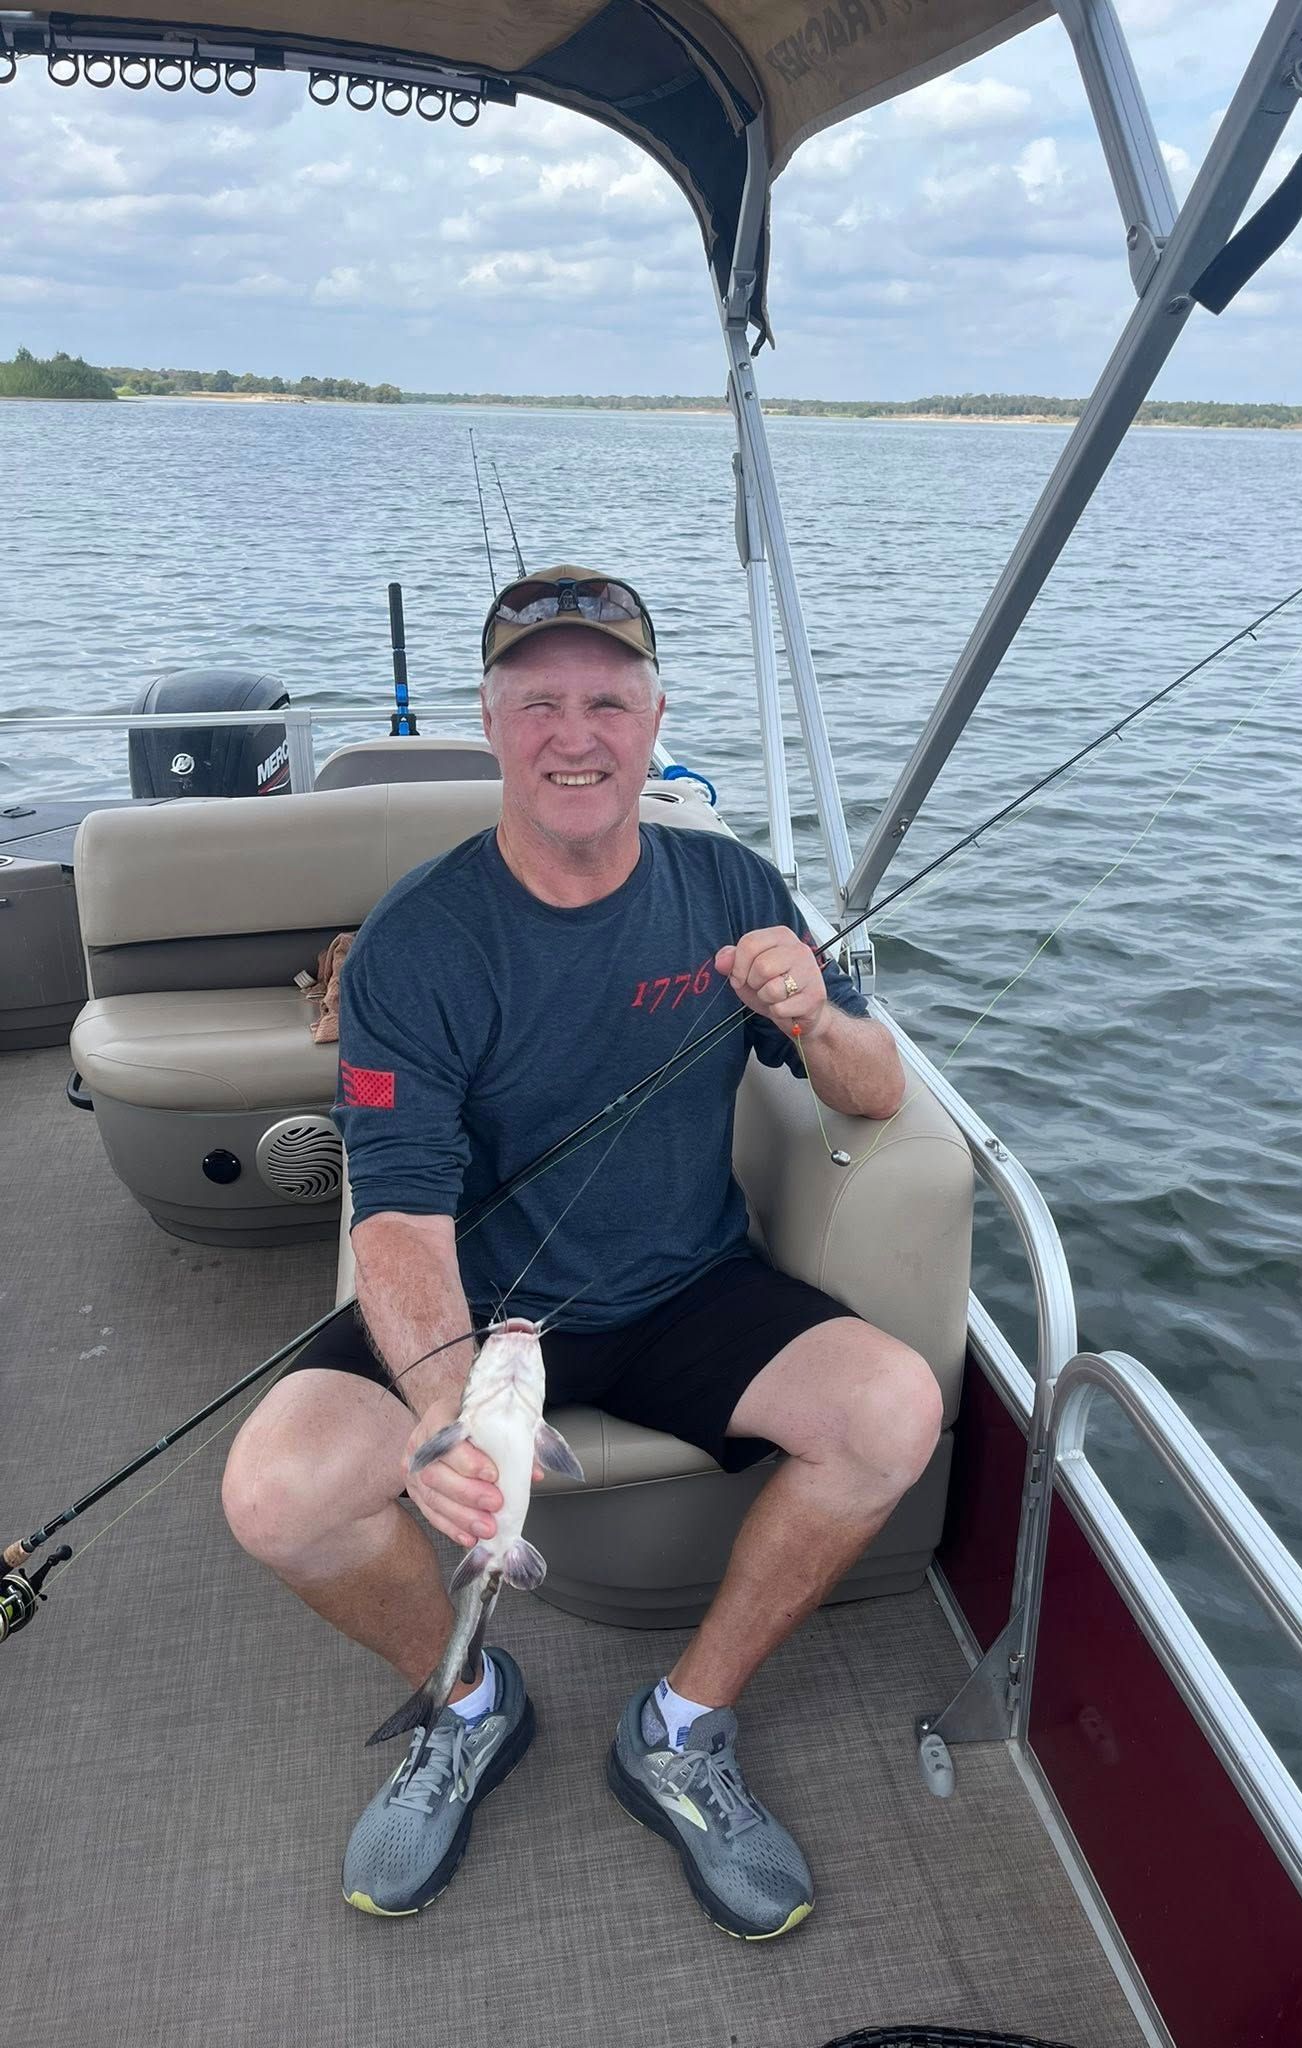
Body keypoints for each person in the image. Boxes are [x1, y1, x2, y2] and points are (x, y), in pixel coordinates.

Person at [221, 566, 942, 1938]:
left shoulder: (729, 880)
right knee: (277, 1492)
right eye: (538, 700)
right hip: (478, 1313)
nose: (576, 733)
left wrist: (815, 1019)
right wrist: (449, 1407)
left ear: (655, 720)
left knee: (894, 1409)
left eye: (609, 699)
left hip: (685, 1285)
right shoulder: (419, 946)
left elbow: (872, 1091)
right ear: (489, 726)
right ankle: (465, 1702)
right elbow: (394, 1207)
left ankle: (681, 1724)